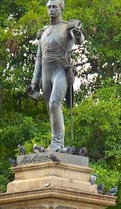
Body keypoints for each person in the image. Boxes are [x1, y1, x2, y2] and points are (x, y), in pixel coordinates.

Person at [28, 0, 84, 151]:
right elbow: (39, 59)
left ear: (61, 9)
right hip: (46, 73)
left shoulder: (68, 26)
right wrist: (35, 82)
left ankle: (58, 142)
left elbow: (79, 40)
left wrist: (78, 34)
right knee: (50, 107)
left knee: (54, 103)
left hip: (60, 70)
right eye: (49, 7)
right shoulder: (43, 33)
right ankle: (55, 141)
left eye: (54, 7)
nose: (51, 10)